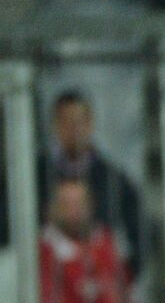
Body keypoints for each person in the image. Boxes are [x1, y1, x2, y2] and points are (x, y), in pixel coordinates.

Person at [37, 90, 143, 273]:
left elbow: (141, 233)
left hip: (99, 282)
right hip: (47, 282)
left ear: (91, 124)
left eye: (79, 122)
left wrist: (123, 276)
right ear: (55, 125)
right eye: (66, 122)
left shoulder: (113, 180)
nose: (73, 129)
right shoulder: (36, 177)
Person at [38, 178, 131, 303]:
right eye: (66, 204)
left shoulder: (105, 241)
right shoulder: (43, 250)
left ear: (91, 206)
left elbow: (122, 291)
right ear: (51, 209)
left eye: (80, 203)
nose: (74, 211)